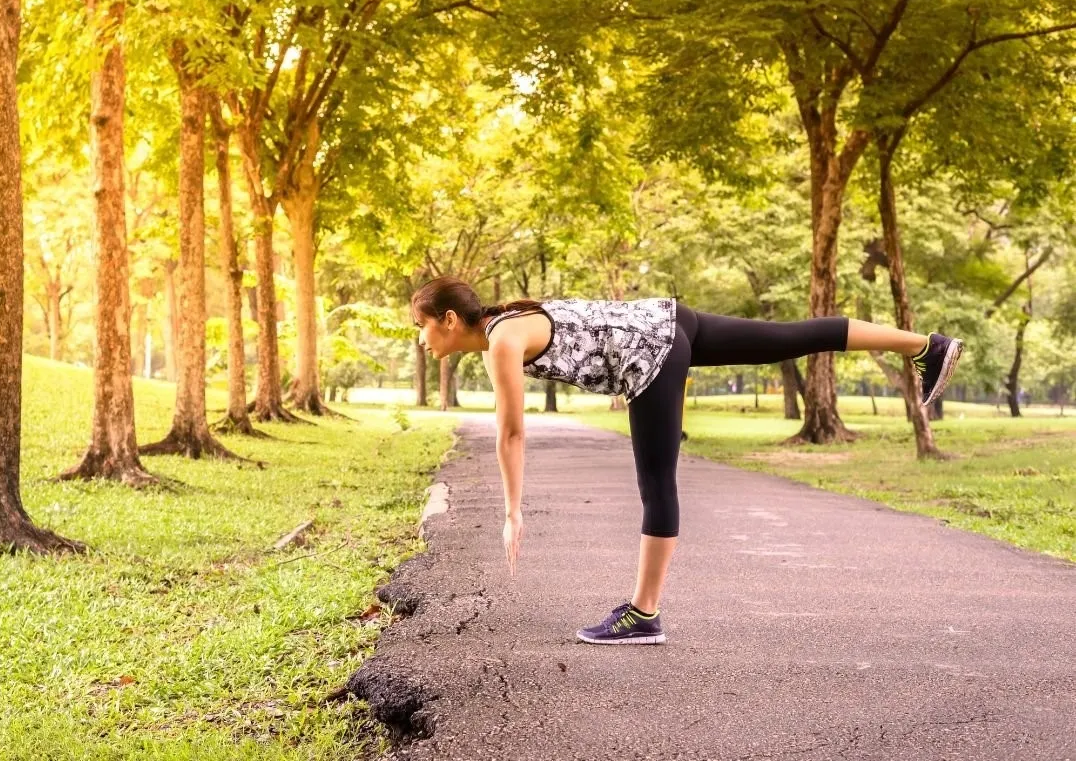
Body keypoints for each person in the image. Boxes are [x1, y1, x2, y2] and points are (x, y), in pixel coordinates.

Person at [409, 276, 964, 646]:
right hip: (671, 321)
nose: (420, 340)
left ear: (450, 319)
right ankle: (924, 345)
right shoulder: (509, 319)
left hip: (650, 355)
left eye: (421, 327)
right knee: (786, 337)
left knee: (656, 484)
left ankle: (643, 614)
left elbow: (510, 433)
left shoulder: (502, 340)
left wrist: (512, 511)